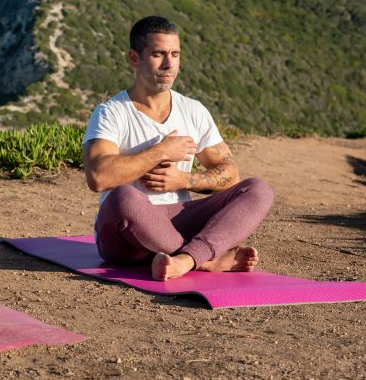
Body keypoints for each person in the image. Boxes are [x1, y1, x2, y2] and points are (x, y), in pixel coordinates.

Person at [82, 16, 274, 281]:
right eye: (158, 54)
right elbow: (98, 177)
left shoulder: (193, 110)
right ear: (134, 58)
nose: (168, 64)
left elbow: (230, 173)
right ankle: (205, 259)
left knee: (257, 189)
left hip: (179, 219)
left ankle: (185, 259)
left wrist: (185, 180)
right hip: (126, 233)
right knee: (122, 198)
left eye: (174, 54)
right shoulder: (111, 113)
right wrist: (161, 151)